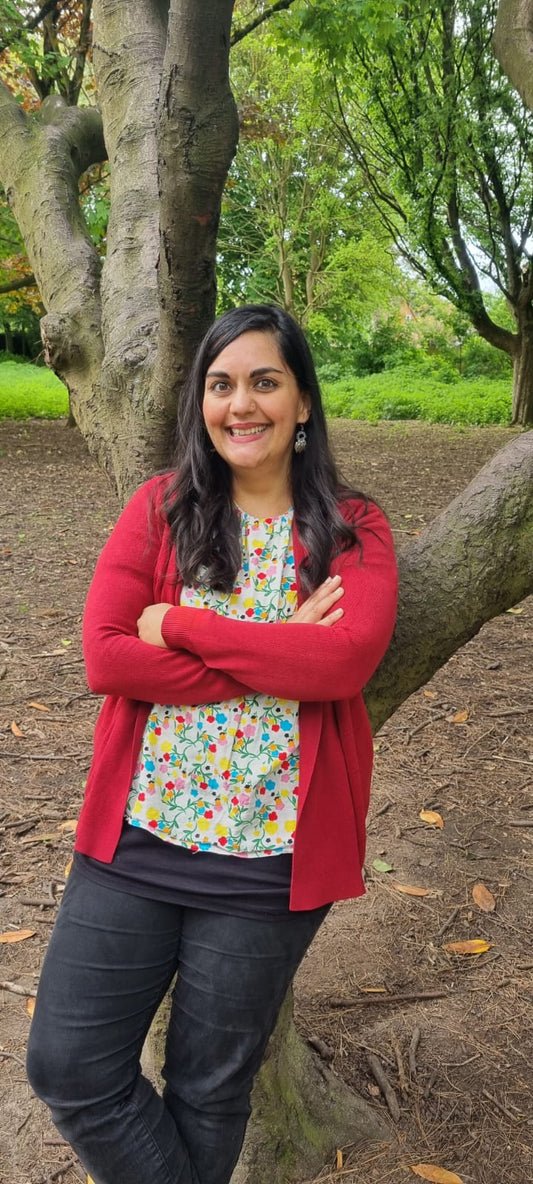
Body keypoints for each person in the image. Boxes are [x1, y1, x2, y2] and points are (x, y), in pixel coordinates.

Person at [26, 304, 398, 1184]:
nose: (241, 404)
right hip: (138, 840)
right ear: (200, 399)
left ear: (303, 402)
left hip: (269, 865)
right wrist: (278, 649)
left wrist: (186, 622)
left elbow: (342, 662)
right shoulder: (160, 508)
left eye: (265, 382)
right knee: (70, 1067)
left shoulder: (350, 528)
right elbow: (108, 656)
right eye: (221, 384)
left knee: (210, 1087)